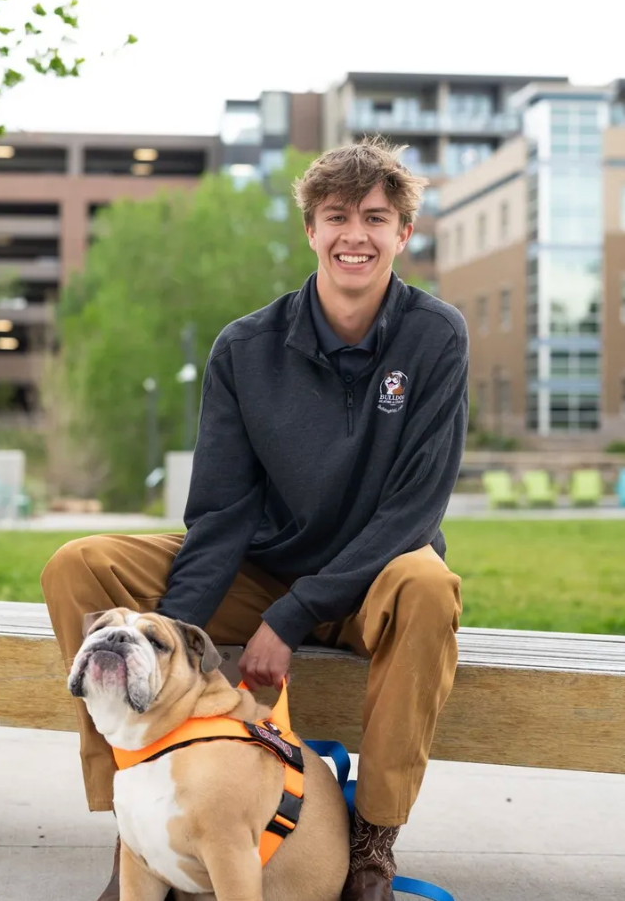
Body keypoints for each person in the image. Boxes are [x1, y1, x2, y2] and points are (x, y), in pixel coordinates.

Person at [41, 136, 468, 901]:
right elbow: (222, 513)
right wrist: (161, 659)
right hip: (261, 567)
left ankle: (372, 846)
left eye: (376, 218)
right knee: (81, 564)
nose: (355, 235)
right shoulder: (245, 348)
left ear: (405, 233)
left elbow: (413, 509)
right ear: (310, 230)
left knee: (431, 586)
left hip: (375, 578)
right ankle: (135, 822)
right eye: (336, 216)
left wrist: (295, 613)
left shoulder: (435, 337)